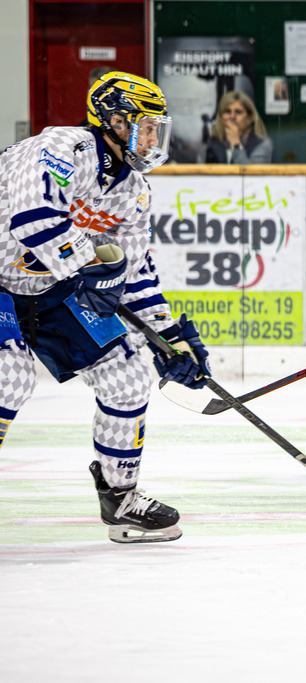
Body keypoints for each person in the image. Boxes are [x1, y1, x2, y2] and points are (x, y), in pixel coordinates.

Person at [0, 71, 212, 543]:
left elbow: (133, 270)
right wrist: (94, 267)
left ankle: (120, 499)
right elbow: (35, 222)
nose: (156, 138)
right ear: (114, 121)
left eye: (160, 127)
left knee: (129, 374)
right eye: (147, 126)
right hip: (2, 276)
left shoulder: (133, 190)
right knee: (9, 377)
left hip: (47, 288)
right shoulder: (58, 149)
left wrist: (166, 337)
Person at [204, 91, 273, 164]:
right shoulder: (210, 144)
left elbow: (250, 174)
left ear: (249, 118)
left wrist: (236, 145)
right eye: (227, 112)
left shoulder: (261, 145)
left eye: (238, 112)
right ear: (221, 117)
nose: (232, 117)